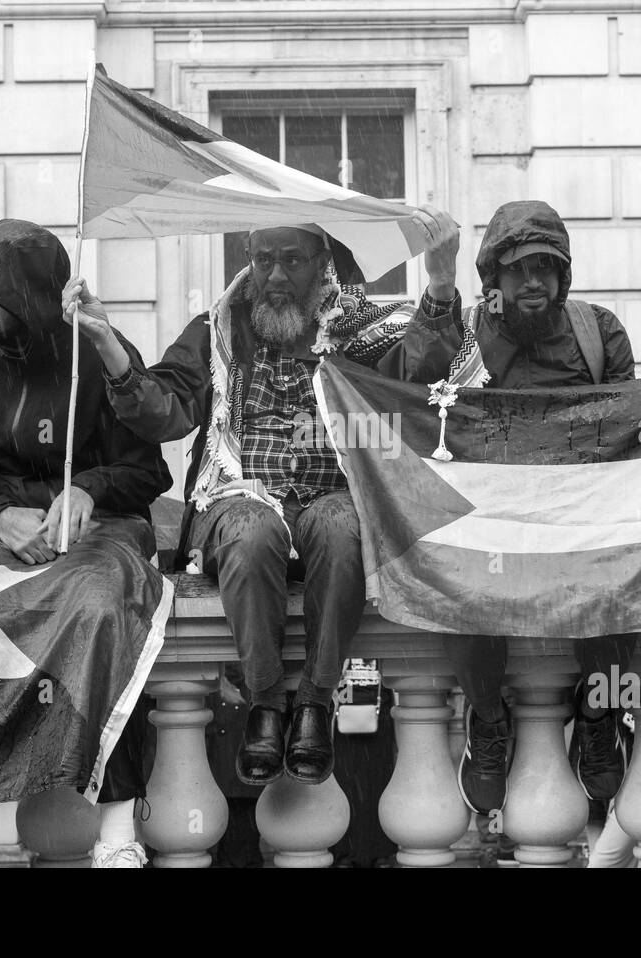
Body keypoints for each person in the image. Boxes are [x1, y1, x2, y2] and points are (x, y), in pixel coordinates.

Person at [62, 211, 454, 787]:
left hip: (330, 497)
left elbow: (421, 378)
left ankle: (315, 702)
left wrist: (440, 283)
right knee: (253, 529)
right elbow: (163, 409)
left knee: (344, 524)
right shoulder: (217, 329)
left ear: (323, 262)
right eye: (263, 260)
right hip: (234, 501)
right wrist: (104, 340)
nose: (274, 276)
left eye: (291, 261)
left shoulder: (358, 328)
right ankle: (266, 705)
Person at [374, 199, 638, 817]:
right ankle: (489, 717)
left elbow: (632, 434)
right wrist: (440, 283)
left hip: (577, 518)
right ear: (492, 278)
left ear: (563, 275)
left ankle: (598, 711)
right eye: (517, 270)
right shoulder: (465, 330)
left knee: (625, 566)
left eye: (545, 267)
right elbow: (417, 390)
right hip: (487, 519)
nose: (532, 282)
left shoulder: (599, 331)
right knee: (463, 576)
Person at [0, 219, 172, 867]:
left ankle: (119, 836)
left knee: (102, 611)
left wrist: (90, 486)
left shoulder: (98, 348)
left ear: (33, 296)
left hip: (105, 531)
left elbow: (150, 471)